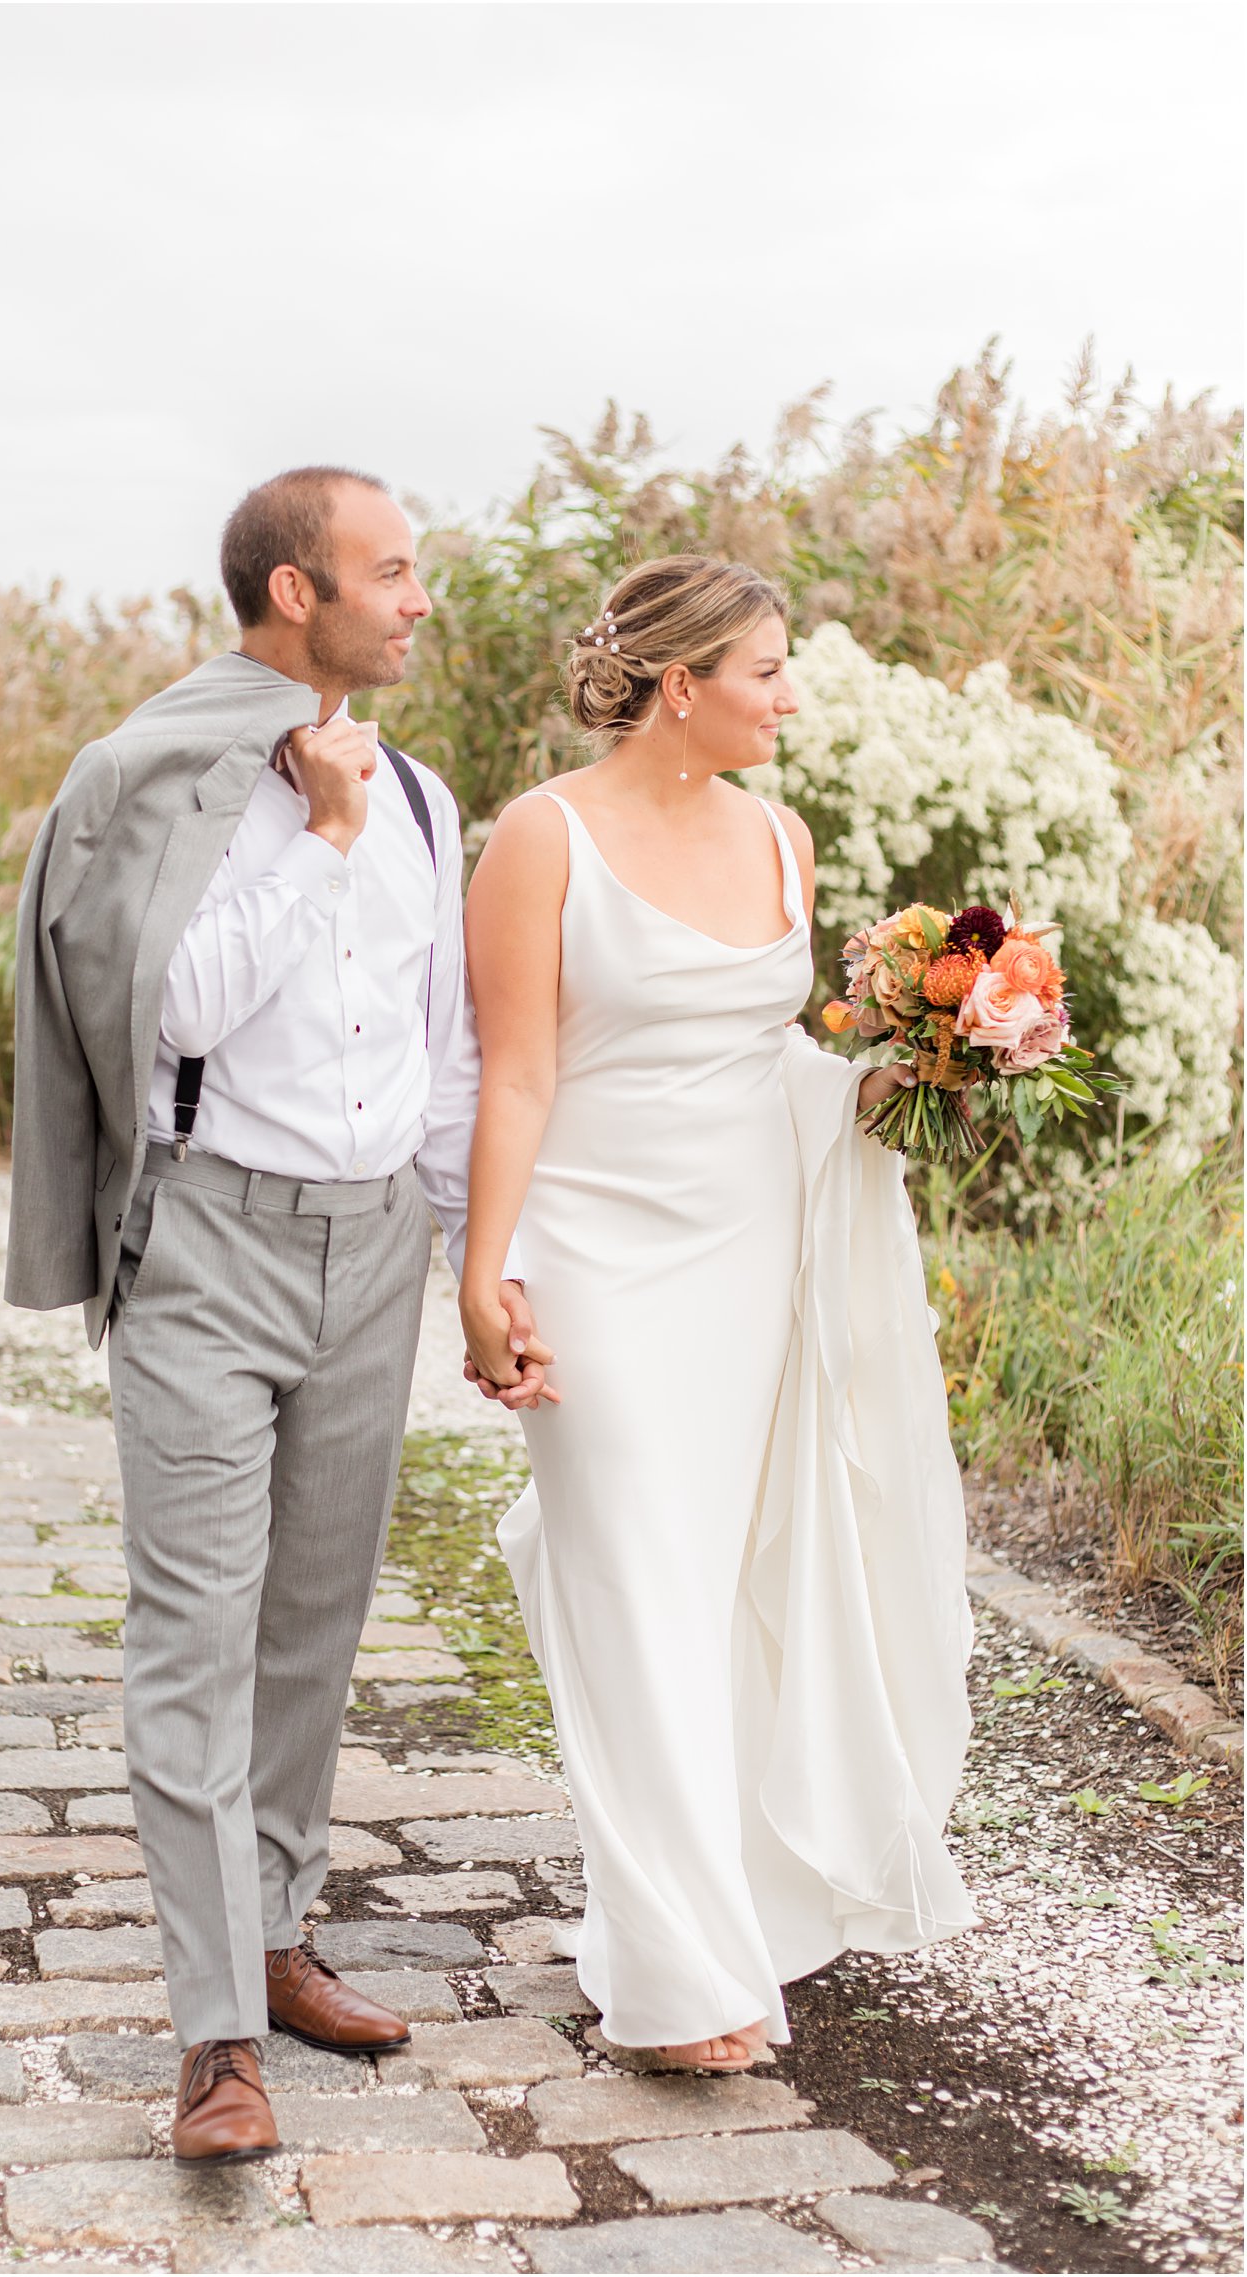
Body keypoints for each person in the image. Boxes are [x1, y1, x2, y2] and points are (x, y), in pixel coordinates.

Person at [5, 466, 550, 2163]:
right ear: (293, 593)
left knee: (316, 1623)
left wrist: (470, 1252)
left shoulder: (427, 794)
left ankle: (282, 1929)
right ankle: (212, 2032)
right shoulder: (156, 776)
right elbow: (163, 1010)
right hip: (208, 1249)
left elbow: (442, 1040)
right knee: (194, 1634)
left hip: (372, 1247)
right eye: (390, 572)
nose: (417, 599)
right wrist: (312, 841)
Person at [460, 555, 978, 2072]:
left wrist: (932, 1062)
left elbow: (774, 1067)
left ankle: (699, 1907)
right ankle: (686, 1977)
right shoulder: (539, 839)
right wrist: (484, 1278)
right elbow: (517, 1076)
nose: (792, 696)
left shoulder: (781, 835)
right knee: (630, 1581)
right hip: (599, 1256)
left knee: (721, 1578)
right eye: (767, 671)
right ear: (679, 685)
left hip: (755, 1248)